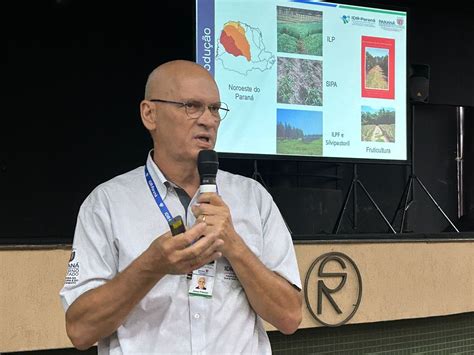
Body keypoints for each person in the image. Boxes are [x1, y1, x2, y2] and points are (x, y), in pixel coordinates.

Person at [60, 60, 302, 354]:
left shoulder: (254, 199)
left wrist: (234, 245)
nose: (208, 120)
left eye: (215, 109)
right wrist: (150, 266)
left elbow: (289, 317)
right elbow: (80, 331)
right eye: (191, 106)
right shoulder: (106, 204)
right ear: (150, 114)